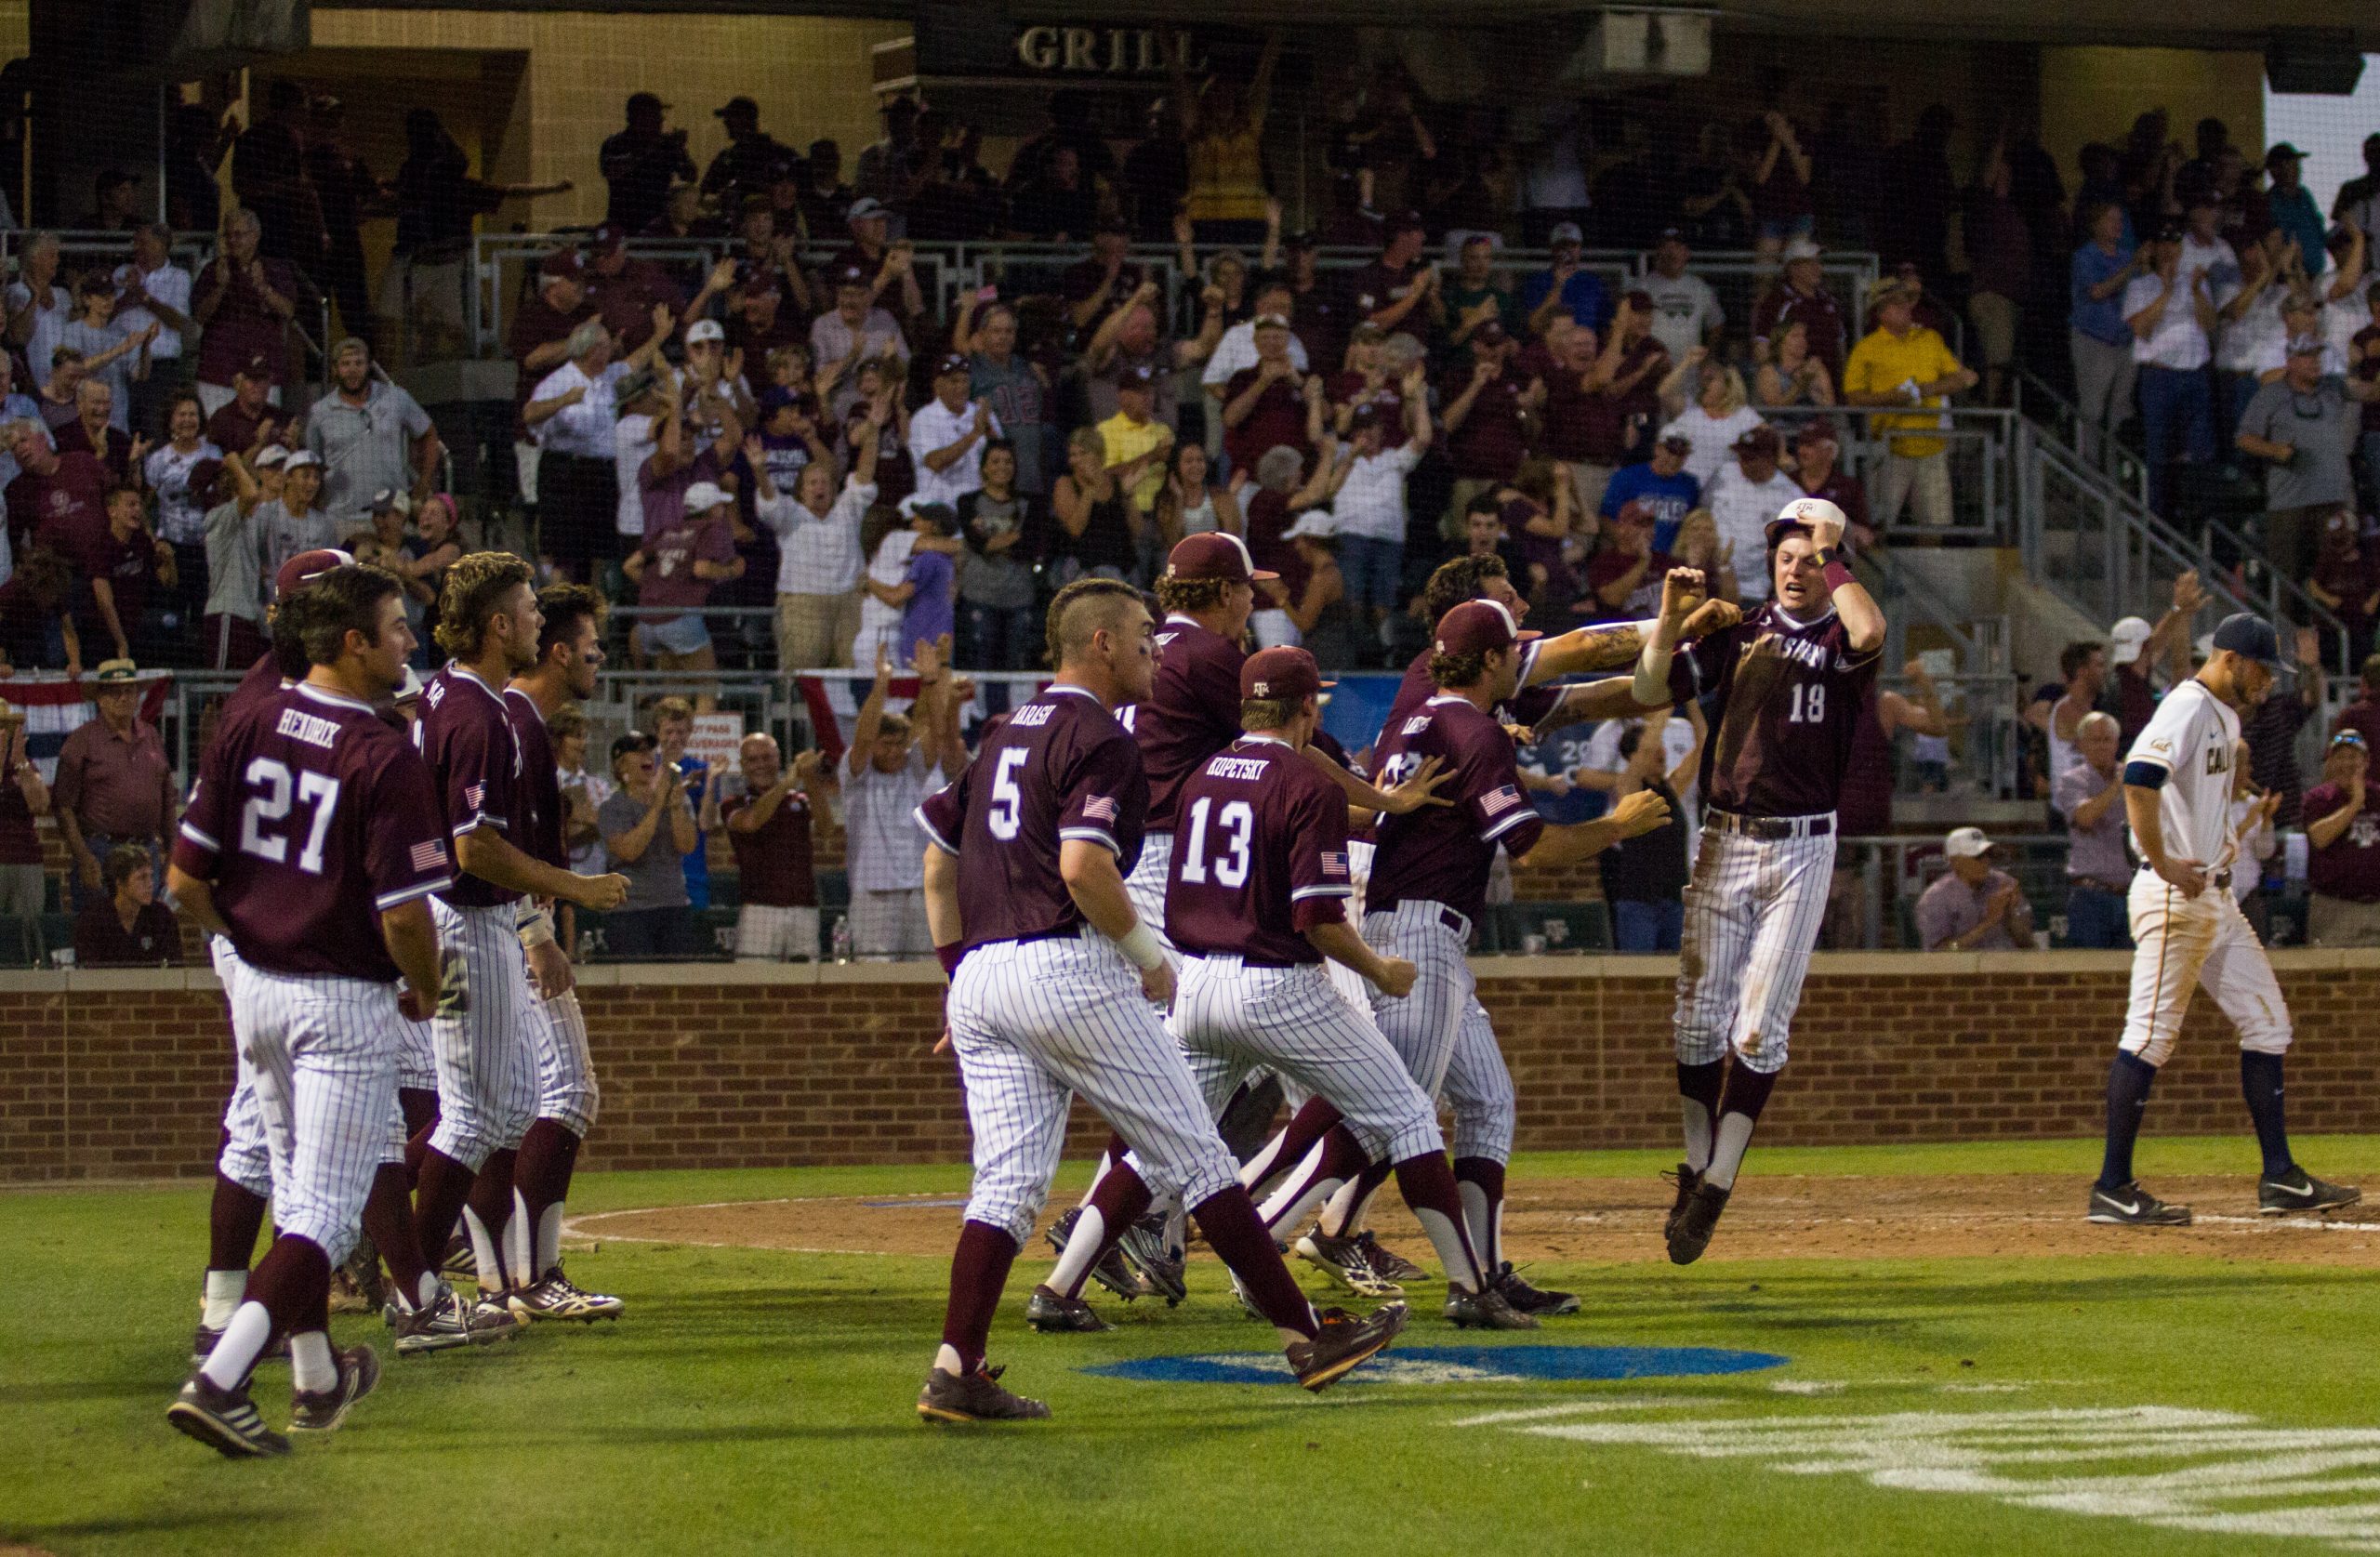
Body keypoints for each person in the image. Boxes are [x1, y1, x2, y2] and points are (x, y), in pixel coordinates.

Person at [910, 577, 1404, 1422]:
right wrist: (1149, 959)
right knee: (1201, 1156)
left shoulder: (1003, 731)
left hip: (984, 978)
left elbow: (936, 862)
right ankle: (1305, 1336)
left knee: (1004, 1188)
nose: (1156, 651)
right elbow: (1081, 868)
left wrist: (964, 974)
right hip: (1065, 967)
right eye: (1143, 635)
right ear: (1099, 642)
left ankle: (955, 1368)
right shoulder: (1099, 735)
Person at [1040, 643, 1533, 1334]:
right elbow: (1319, 920)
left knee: (1161, 1144)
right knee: (1411, 1117)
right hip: (1276, 985)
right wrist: (1380, 971)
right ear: (1307, 706)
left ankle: (1060, 1287)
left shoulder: (1202, 775)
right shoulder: (1308, 784)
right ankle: (1470, 1286)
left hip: (1199, 983)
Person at [162, 563, 452, 1457]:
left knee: (296, 1191)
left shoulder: (247, 717)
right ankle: (220, 1380)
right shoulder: (384, 751)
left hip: (257, 988)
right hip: (340, 1000)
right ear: (352, 642)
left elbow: (183, 884)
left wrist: (248, 944)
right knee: (325, 1215)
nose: (411, 642)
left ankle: (319, 1379)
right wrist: (430, 990)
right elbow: (405, 916)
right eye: (397, 627)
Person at [1660, 496, 1884, 1264]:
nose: (1796, 567)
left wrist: (1830, 552)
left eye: (1811, 555)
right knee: (1694, 1025)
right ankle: (1695, 1167)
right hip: (1725, 838)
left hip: (1802, 847)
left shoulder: (1841, 632)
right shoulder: (1739, 629)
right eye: (1786, 554)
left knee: (1758, 1028)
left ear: (1833, 563)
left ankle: (1717, 1185)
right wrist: (1673, 617)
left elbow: (1870, 631)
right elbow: (1653, 686)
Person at [412, 553, 628, 1328]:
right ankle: (418, 1284)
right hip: (470, 920)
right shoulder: (488, 715)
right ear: (499, 624)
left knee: (493, 1111)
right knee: (490, 1112)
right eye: (530, 608)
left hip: (451, 917)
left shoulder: (442, 691)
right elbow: (476, 848)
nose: (538, 618)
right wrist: (562, 904)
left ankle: (494, 1280)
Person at [2089, 613, 2358, 1227]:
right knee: (2150, 1035)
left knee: (2268, 1023)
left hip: (2217, 896)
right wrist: (2160, 858)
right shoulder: (2186, 705)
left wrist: (2231, 771)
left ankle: (2281, 1178)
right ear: (2233, 658)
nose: (2268, 682)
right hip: (2174, 895)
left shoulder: (2226, 715)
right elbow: (2139, 780)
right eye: (2263, 669)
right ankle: (2111, 1185)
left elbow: (2209, 759)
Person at [844, 641, 959, 959]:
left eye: (899, 744)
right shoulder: (857, 774)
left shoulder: (912, 768)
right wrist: (882, 684)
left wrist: (932, 681)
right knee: (873, 976)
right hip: (873, 892)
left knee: (925, 973)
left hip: (917, 891)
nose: (894, 751)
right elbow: (864, 738)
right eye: (886, 744)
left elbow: (937, 731)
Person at [1842, 276, 1977, 530]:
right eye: (1896, 304)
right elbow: (1853, 396)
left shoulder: (1930, 339)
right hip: (1889, 447)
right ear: (1881, 313)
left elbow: (1964, 377)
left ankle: (1933, 569)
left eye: (1905, 302)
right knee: (1879, 524)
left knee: (1937, 527)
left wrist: (1921, 391)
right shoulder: (1866, 349)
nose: (1905, 307)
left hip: (1931, 445)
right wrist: (1893, 398)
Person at [2235, 336, 2370, 587]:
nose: (2315, 362)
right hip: (2290, 502)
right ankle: (2284, 626)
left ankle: (2325, 627)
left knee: (2335, 577)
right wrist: (2275, 450)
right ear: (2290, 361)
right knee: (2286, 577)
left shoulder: (2333, 387)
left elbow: (2369, 392)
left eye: (2317, 356)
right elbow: (2244, 438)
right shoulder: (2272, 395)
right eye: (2307, 356)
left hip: (2332, 499)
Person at [761, 401, 881, 672]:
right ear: (801, 491)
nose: (820, 487)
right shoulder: (791, 515)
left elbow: (864, 476)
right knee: (803, 676)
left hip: (849, 603)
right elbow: (769, 499)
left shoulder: (846, 510)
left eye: (825, 481)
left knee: (852, 673)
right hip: (803, 605)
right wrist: (759, 469)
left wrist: (873, 429)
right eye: (813, 482)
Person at [53, 658, 177, 912]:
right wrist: (84, 857)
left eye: (129, 691)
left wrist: (172, 854)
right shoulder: (82, 741)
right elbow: (63, 806)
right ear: (100, 698)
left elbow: (167, 802)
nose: (123, 698)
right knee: (98, 932)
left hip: (146, 850)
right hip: (101, 851)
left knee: (145, 933)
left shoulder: (151, 736)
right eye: (115, 692)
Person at [1328, 384, 1433, 652]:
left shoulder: (1393, 458)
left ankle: (1384, 652)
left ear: (1381, 430)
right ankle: (1352, 650)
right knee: (1352, 597)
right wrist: (1352, 449)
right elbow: (1317, 435)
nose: (1367, 433)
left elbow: (1422, 439)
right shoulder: (1340, 454)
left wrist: (1419, 397)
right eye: (1361, 427)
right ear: (1353, 432)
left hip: (1389, 539)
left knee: (1383, 601)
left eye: (1372, 426)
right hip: (1350, 536)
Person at [1599, 708, 1703, 952]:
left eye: (1662, 745)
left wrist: (1690, 701)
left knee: (1676, 978)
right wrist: (1665, 705)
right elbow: (1646, 748)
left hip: (1674, 899)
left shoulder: (1673, 788)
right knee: (1638, 978)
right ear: (1634, 756)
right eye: (1655, 745)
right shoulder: (1629, 786)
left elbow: (1703, 743)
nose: (1661, 751)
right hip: (1638, 902)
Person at [306, 339, 439, 527]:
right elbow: (314, 465)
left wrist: (423, 484)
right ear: (334, 369)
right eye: (345, 364)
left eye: (359, 363)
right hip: (340, 520)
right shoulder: (320, 412)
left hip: (394, 517)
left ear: (369, 366)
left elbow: (429, 434)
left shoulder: (396, 398)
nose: (352, 370)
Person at [192, 209, 311, 419]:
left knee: (263, 438)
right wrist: (220, 288)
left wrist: (263, 287)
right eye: (228, 235)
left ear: (255, 236)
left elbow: (288, 311)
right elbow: (200, 316)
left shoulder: (275, 268)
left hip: (262, 370)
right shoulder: (213, 269)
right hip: (218, 369)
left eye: (238, 234)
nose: (232, 240)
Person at [623, 479, 742, 687]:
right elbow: (701, 569)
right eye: (720, 505)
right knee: (708, 688)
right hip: (680, 620)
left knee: (674, 693)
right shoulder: (710, 529)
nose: (722, 510)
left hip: (648, 623)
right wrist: (732, 570)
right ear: (712, 509)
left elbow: (630, 566)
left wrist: (659, 589)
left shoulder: (669, 530)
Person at [724, 732, 827, 962]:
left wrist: (810, 778)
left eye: (767, 757)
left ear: (778, 759)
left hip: (803, 908)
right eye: (752, 760)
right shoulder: (733, 804)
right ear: (742, 765)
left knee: (807, 985)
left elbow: (826, 828)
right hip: (758, 910)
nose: (761, 765)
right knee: (753, 986)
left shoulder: (799, 800)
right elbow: (753, 822)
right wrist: (787, 783)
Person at [597, 731, 698, 958]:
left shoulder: (677, 798)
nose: (648, 756)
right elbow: (629, 851)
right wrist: (657, 805)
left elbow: (687, 846)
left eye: (651, 751)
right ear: (621, 764)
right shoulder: (612, 807)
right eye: (638, 751)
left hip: (674, 905)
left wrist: (674, 807)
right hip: (631, 912)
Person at [2070, 202, 2147, 465]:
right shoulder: (2085, 257)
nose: (2118, 225)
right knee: (2092, 408)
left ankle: (2117, 468)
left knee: (2122, 408)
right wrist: (2132, 266)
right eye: (2111, 219)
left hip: (2125, 341)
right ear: (2095, 225)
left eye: (2120, 220)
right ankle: (2087, 465)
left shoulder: (2127, 256)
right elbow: (2097, 292)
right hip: (2094, 340)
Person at [2055, 712, 2134, 950]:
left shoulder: (2134, 778)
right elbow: (2085, 817)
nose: (2101, 746)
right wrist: (2118, 785)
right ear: (2081, 744)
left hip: (2131, 895)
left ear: (2117, 743)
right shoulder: (2072, 781)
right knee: (2089, 976)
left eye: (2107, 740)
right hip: (2090, 897)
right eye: (2094, 740)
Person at [2303, 731, 2380, 947]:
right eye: (2340, 757)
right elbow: (2319, 838)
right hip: (2335, 908)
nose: (2346, 763)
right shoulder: (2318, 799)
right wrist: (2355, 803)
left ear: (2366, 762)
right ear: (2330, 762)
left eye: (2353, 757)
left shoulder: (2378, 796)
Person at [1915, 826, 2036, 951]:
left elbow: (2028, 945)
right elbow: (1939, 955)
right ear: (1955, 861)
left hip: (2008, 966)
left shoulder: (2004, 883)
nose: (1985, 861)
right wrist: (1988, 922)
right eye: (1977, 856)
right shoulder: (1935, 898)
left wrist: (2011, 914)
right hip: (1960, 969)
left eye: (1988, 854)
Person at [600, 92, 696, 235]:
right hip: (624, 224)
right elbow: (612, 172)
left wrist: (680, 149)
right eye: (655, 116)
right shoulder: (616, 144)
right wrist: (650, 148)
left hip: (657, 227)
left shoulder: (666, 146)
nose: (661, 120)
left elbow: (690, 176)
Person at [73, 841, 178, 966]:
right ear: (119, 883)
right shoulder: (94, 919)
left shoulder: (161, 916)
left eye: (151, 876)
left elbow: (175, 967)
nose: (150, 884)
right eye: (141, 878)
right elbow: (87, 971)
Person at [1597, 433, 1699, 553]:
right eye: (1671, 452)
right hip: (1631, 555)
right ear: (1657, 449)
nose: (1674, 460)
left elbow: (1692, 524)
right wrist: (1628, 545)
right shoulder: (1627, 477)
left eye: (1681, 455)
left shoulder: (1690, 484)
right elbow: (1605, 519)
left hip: (1670, 559)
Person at [1639, 228, 1726, 364]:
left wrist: (1708, 358)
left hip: (1691, 377)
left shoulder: (1700, 288)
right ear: (1658, 252)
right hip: (1654, 376)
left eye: (1677, 247)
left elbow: (1717, 324)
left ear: (1687, 253)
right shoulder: (1642, 288)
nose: (1672, 253)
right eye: (1666, 247)